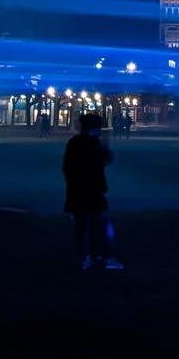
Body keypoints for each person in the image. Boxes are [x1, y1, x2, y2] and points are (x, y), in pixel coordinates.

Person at [62, 112, 122, 270]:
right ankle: (99, 256)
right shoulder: (93, 144)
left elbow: (67, 168)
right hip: (94, 191)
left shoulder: (74, 142)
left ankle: (81, 257)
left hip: (77, 191)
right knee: (99, 225)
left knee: (81, 226)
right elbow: (100, 166)